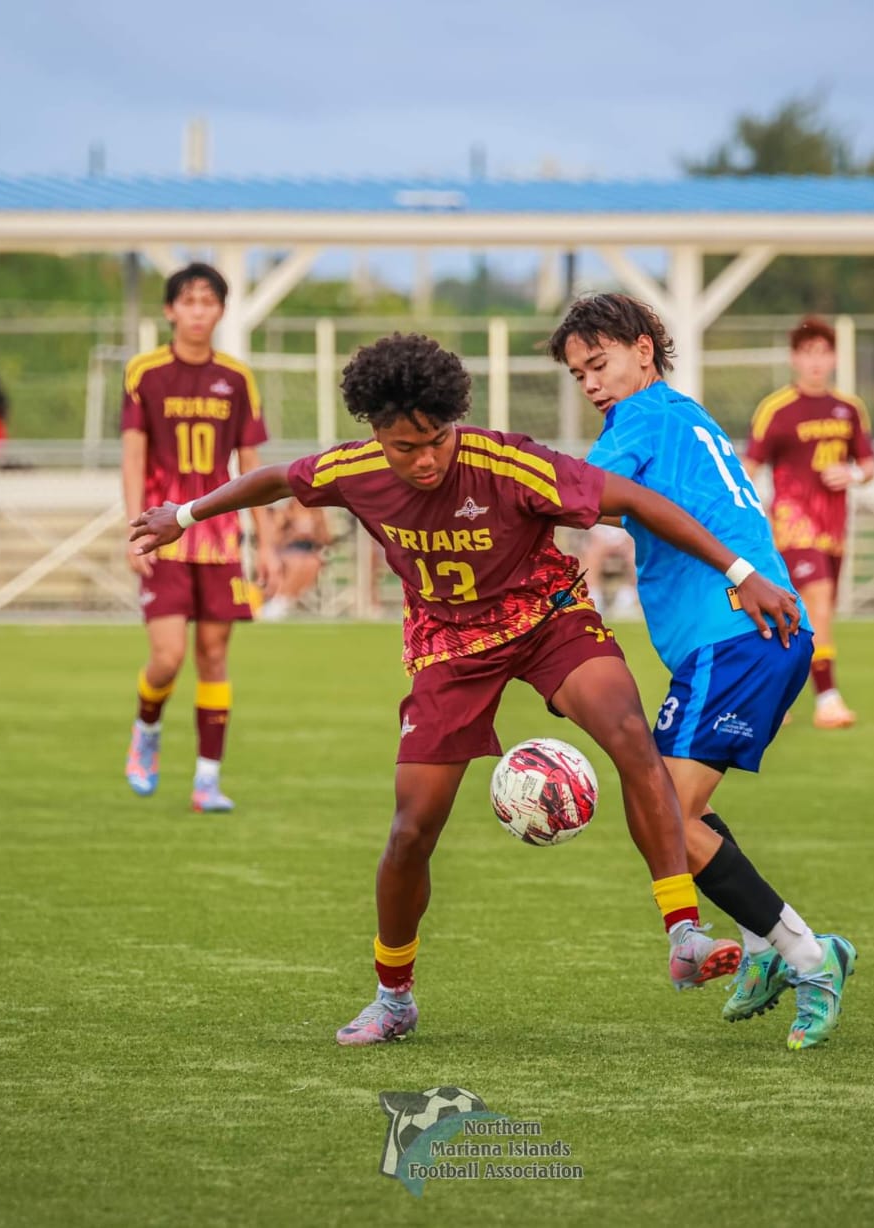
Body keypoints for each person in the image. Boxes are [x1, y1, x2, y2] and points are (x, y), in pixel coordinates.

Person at [131, 333, 802, 1046]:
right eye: (403, 446)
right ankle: (393, 998)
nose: (424, 460)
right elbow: (271, 479)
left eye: (436, 440)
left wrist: (739, 571)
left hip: (546, 620)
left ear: (455, 420)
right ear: (375, 435)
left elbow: (634, 497)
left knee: (632, 737)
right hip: (449, 648)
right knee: (412, 830)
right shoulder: (354, 468)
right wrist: (181, 517)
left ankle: (683, 934)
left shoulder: (507, 461)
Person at [550, 293, 856, 1050]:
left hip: (736, 635)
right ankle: (762, 946)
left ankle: (811, 958)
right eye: (578, 373)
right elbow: (631, 508)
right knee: (664, 806)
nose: (590, 383)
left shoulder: (642, 420)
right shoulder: (683, 417)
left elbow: (568, 496)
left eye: (601, 363)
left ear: (645, 350)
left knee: (662, 814)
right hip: (749, 635)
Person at [121, 263, 275, 813]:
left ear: (222, 312)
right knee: (167, 658)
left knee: (213, 655)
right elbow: (134, 454)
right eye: (188, 301)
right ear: (170, 310)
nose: (198, 312)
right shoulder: (144, 372)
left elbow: (252, 464)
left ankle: (207, 780)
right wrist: (133, 528)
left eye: (208, 302)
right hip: (163, 538)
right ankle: (147, 728)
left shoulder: (236, 378)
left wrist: (268, 542)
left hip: (218, 542)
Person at [746, 317, 874, 729]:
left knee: (805, 616)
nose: (816, 361)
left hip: (834, 527)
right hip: (792, 523)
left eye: (823, 352)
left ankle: (773, 697)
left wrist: (851, 474)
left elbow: (868, 464)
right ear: (794, 358)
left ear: (834, 357)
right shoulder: (776, 409)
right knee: (815, 599)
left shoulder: (850, 409)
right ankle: (828, 700)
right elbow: (750, 465)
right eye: (807, 352)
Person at [259, 499, 332, 620]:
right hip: (287, 550)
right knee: (297, 562)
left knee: (312, 563)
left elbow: (326, 539)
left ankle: (285, 600)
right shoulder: (287, 512)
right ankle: (280, 600)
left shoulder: (317, 513)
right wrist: (292, 533)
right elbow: (276, 540)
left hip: (308, 550)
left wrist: (314, 532)